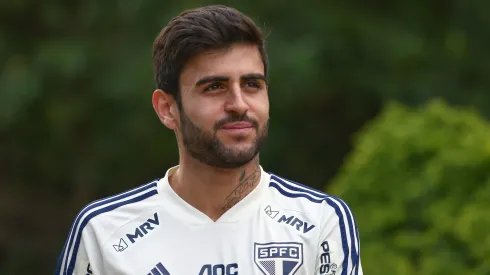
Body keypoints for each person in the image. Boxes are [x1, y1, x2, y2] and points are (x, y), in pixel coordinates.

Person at [55, 5, 362, 275]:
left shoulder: (320, 222)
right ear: (167, 108)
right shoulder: (105, 233)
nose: (239, 103)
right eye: (215, 87)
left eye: (252, 84)